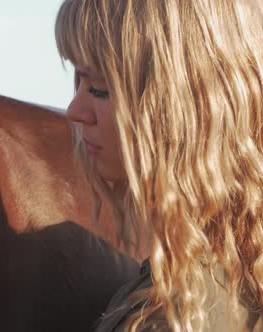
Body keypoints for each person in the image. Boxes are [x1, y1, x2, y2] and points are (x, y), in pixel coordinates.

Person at [54, 0, 263, 331]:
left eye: (99, 88)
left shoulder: (178, 316)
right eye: (78, 80)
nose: (75, 110)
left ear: (184, 105)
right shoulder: (232, 275)